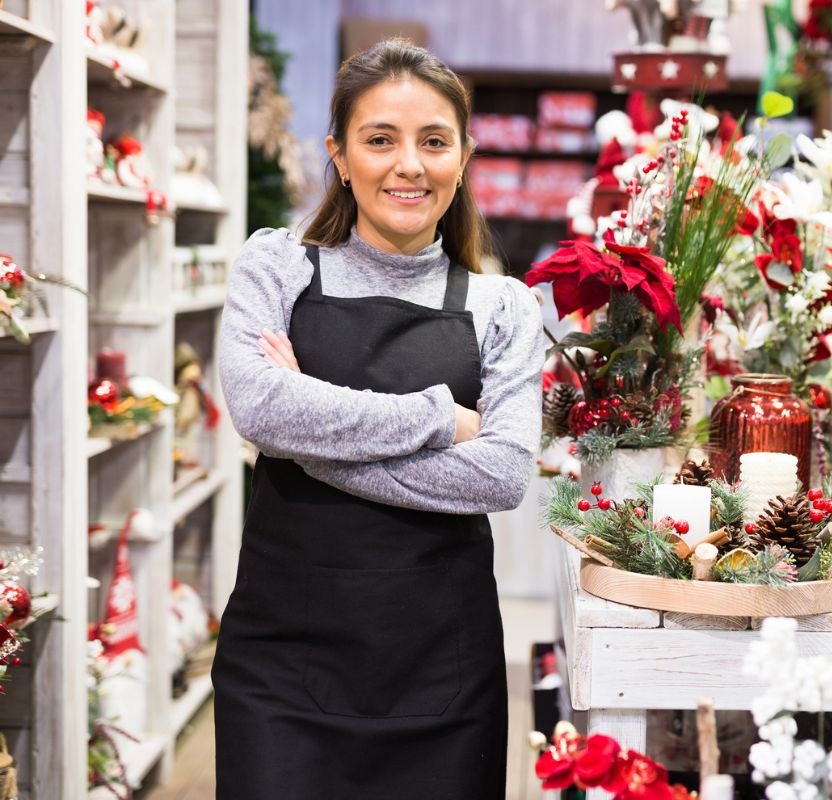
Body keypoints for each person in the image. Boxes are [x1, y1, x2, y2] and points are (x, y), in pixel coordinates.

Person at [211, 38, 544, 798]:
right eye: (380, 139)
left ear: (463, 156)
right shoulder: (278, 265)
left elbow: (501, 474)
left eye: (433, 141)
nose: (409, 165)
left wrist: (306, 438)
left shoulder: (502, 307)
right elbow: (261, 406)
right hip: (283, 667)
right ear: (339, 153)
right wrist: (439, 417)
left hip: (440, 674)